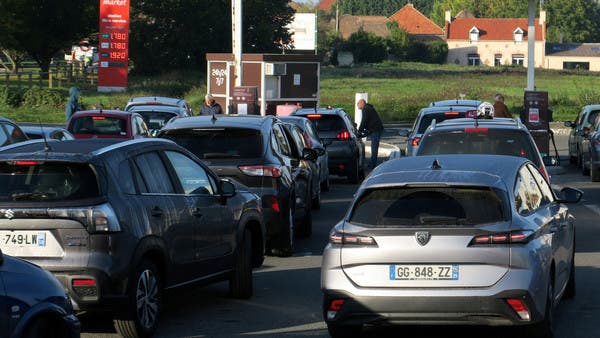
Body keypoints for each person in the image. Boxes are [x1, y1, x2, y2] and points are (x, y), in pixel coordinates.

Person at [357, 98, 384, 169]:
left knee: (374, 147)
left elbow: (364, 121)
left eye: (358, 104)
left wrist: (359, 131)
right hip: (374, 129)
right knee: (374, 146)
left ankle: (373, 164)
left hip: (375, 129)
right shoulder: (368, 108)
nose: (357, 106)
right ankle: (372, 162)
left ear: (362, 103)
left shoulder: (365, 109)